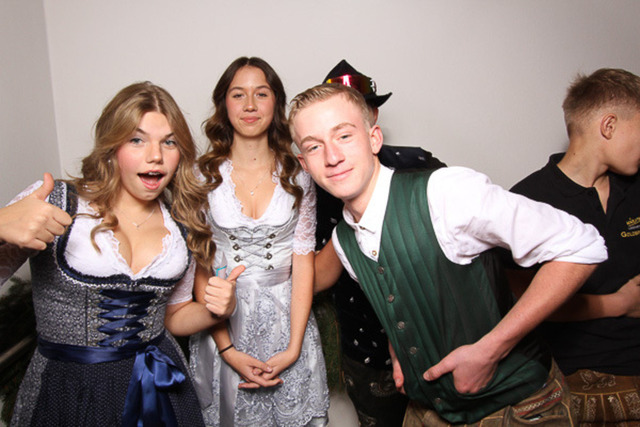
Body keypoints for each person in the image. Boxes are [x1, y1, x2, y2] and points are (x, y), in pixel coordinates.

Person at [289, 83, 608, 426]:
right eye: (314, 146)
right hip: (432, 410)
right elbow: (394, 297)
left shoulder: (445, 193)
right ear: (304, 163)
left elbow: (582, 247)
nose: (332, 157)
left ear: (374, 139)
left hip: (521, 408)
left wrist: (491, 350)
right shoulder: (343, 241)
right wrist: (399, 352)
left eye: (344, 136)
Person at [0, 81, 238, 426]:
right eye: (137, 140)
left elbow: (174, 317)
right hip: (68, 389)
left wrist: (217, 311)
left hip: (159, 386)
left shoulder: (182, 223)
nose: (155, 155)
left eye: (169, 142)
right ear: (112, 146)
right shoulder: (57, 201)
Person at [189, 57, 329, 426]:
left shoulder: (300, 175)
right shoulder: (201, 176)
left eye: (261, 94)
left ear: (276, 103)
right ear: (224, 104)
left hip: (289, 320)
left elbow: (303, 262)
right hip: (223, 325)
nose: (250, 105)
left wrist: (294, 347)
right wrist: (228, 350)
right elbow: (201, 268)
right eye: (238, 94)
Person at [314, 59, 445, 426]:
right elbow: (313, 277)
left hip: (435, 334)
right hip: (365, 345)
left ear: (372, 118)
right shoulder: (314, 182)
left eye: (357, 110)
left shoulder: (420, 166)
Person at [509, 68, 640, 425]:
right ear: (609, 126)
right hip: (574, 370)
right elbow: (522, 303)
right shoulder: (528, 201)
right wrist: (619, 304)